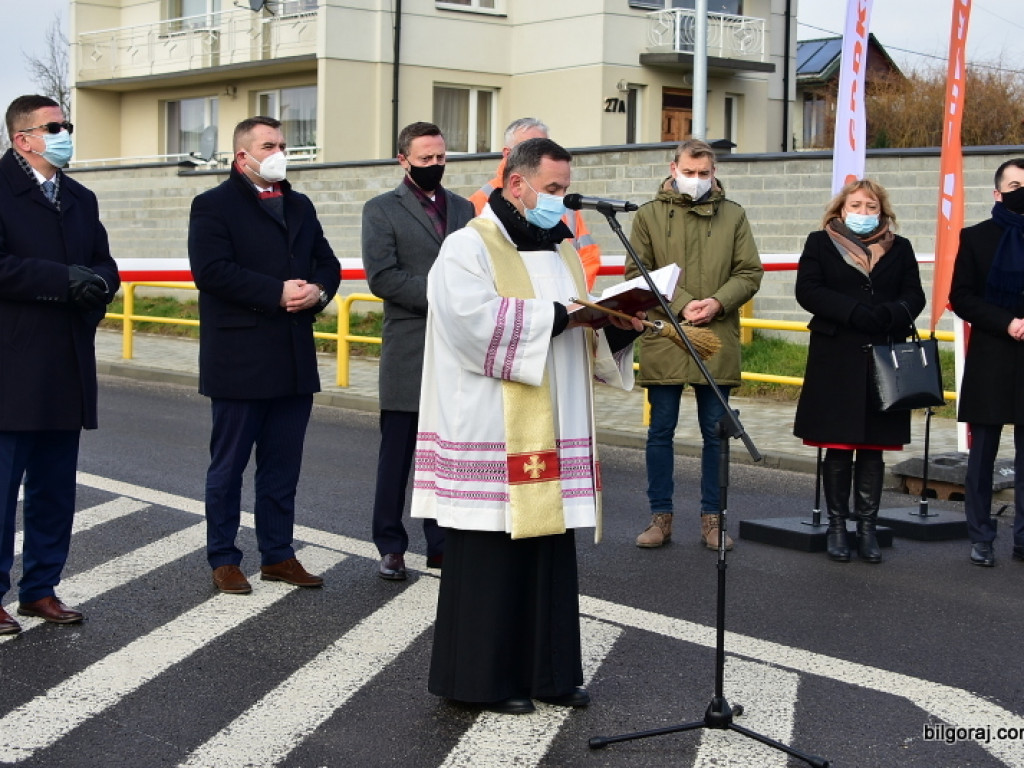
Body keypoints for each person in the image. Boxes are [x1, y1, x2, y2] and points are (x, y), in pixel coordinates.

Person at [411, 138, 644, 715]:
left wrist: (616, 323)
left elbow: (579, 328)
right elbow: (470, 323)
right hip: (493, 424)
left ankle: (550, 672)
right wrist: (558, 316)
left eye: (566, 190)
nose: (562, 203)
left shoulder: (561, 249)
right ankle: (481, 681)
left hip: (552, 422)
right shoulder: (468, 246)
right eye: (554, 190)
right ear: (517, 184)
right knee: (492, 553)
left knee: (549, 552)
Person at [188, 116, 340, 594]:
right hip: (239, 359)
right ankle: (224, 558)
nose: (279, 152)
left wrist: (317, 290)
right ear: (242, 157)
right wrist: (275, 292)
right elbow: (211, 271)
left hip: (293, 358)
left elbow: (327, 263)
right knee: (228, 467)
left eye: (282, 144)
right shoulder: (213, 205)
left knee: (282, 467)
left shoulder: (299, 203)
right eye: (269, 145)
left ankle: (278, 554)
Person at [0, 94, 120, 633]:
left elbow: (103, 263)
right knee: (1, 493)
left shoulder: (80, 197)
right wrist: (61, 280)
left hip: (67, 363)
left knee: (55, 489)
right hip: (11, 365)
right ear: (22, 138)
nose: (66, 132)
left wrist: (99, 285)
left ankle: (40, 589)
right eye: (54, 126)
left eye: (67, 124)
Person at [628, 139, 763, 551]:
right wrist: (686, 304)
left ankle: (712, 519)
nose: (697, 180)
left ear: (714, 172)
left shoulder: (734, 215)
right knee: (660, 431)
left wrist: (718, 302)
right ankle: (660, 517)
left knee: (715, 433)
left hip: (715, 337)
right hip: (665, 335)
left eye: (705, 174)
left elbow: (749, 271)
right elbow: (639, 270)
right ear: (674, 167)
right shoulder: (648, 216)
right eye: (690, 171)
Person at [362, 122, 475, 581]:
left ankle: (442, 542)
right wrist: (446, 294)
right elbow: (382, 276)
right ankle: (389, 544)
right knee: (398, 454)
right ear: (403, 160)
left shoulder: (466, 208)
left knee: (448, 450)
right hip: (410, 346)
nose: (435, 166)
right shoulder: (380, 210)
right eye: (425, 159)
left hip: (457, 349)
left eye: (441, 158)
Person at [793, 179, 926, 563]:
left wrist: (886, 315)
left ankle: (866, 527)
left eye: (871, 207)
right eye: (856, 205)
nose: (864, 213)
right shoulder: (819, 243)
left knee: (872, 447)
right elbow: (808, 290)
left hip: (884, 356)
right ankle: (837, 526)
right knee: (838, 445)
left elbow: (914, 295)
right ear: (840, 210)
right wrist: (853, 312)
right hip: (836, 356)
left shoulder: (900, 248)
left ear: (883, 212)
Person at [949, 158, 1024, 568]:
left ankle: (1023, 538)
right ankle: (981, 536)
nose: (1019, 192)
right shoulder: (976, 237)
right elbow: (962, 296)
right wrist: (1008, 322)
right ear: (997, 193)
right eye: (1013, 185)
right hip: (993, 355)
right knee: (984, 455)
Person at [468, 117, 601, 291]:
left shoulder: (562, 202)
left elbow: (587, 255)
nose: (559, 197)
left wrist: (579, 301)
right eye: (530, 149)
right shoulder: (478, 203)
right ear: (508, 154)